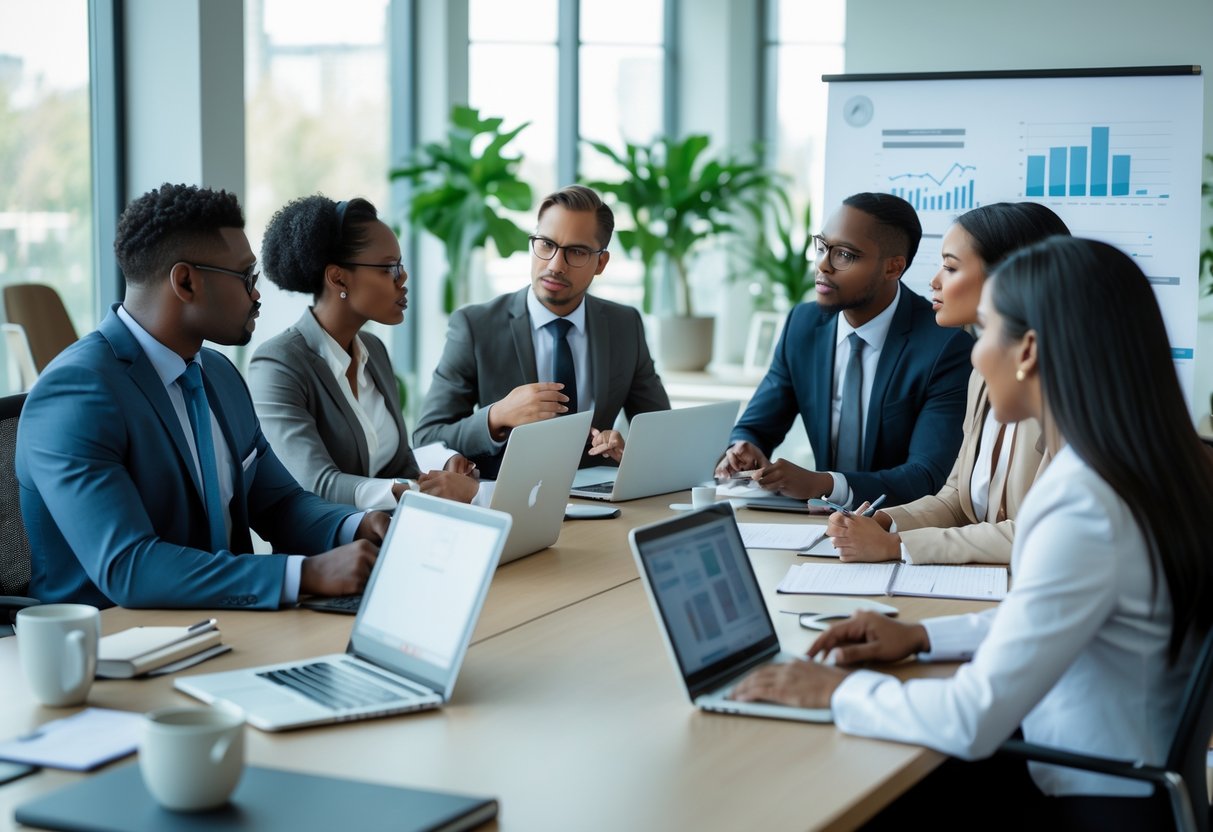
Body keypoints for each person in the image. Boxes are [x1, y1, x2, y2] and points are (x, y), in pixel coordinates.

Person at [732, 237, 1213, 829]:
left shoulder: (1085, 500)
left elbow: (972, 715)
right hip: (1128, 783)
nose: (976, 354)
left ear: (1028, 350)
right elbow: (1045, 615)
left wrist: (831, 691)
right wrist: (921, 639)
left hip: (1095, 802)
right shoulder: (1137, 468)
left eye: (985, 331)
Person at [16, 183, 391, 610]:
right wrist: (307, 573)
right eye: (247, 277)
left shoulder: (218, 374)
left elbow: (280, 502)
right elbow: (129, 566)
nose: (257, 294)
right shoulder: (74, 393)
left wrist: (357, 526)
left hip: (224, 629)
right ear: (186, 281)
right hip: (111, 649)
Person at [827, 202, 1070, 563]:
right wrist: (885, 522)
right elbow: (957, 498)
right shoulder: (984, 375)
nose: (934, 281)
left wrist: (897, 547)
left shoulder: (1068, 388)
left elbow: (1045, 532)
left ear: (1007, 278)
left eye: (951, 267)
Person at [716, 192, 973, 508]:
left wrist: (822, 483)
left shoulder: (944, 344)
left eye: (845, 255)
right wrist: (744, 448)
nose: (823, 265)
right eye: (822, 247)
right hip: (815, 527)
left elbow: (927, 476)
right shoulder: (803, 324)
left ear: (893, 268)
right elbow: (757, 425)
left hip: (898, 531)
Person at [413, 184, 671, 478]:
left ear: (601, 262)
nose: (555, 265)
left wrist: (626, 447)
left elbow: (660, 431)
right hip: (505, 501)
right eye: (546, 244)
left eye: (576, 251)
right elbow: (427, 437)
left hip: (597, 502)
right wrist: (497, 417)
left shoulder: (624, 324)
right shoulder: (475, 326)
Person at [249, 195, 478, 510]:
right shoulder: (279, 363)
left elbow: (396, 464)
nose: (403, 278)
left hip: (396, 536)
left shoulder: (373, 350)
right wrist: (415, 491)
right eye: (389, 268)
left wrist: (440, 474)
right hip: (330, 554)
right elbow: (316, 484)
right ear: (338, 277)